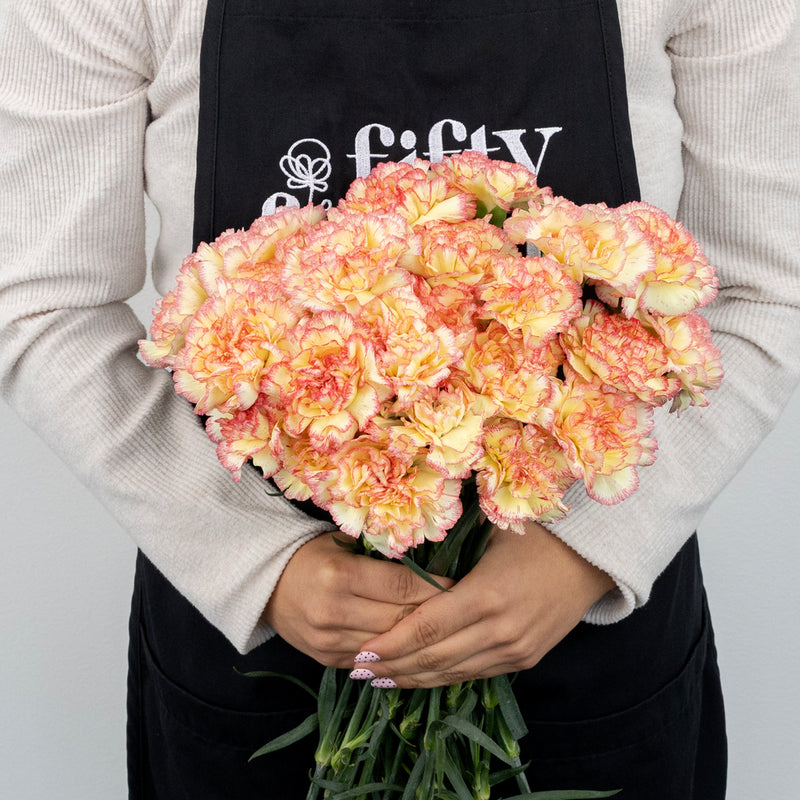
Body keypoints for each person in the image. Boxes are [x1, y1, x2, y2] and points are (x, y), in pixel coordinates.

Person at [1, 0, 798, 797]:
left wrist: (589, 550)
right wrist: (255, 561)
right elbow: (43, 304)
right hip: (255, 653)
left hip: (590, 639)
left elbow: (768, 288)